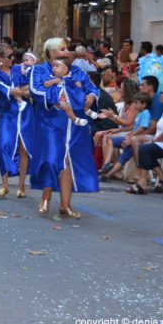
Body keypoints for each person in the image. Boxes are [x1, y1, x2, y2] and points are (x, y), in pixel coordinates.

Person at [30, 38, 100, 219]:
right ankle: (46, 197)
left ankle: (65, 205)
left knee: (69, 161)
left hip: (76, 126)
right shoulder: (40, 70)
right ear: (51, 52)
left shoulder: (77, 71)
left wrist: (90, 98)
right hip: (51, 123)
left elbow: (92, 88)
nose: (67, 51)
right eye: (62, 49)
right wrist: (55, 99)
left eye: (67, 49)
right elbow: (36, 91)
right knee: (53, 159)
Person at [0, 43, 33, 199]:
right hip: (7, 114)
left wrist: (25, 91)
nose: (13, 59)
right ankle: (4, 185)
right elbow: (5, 89)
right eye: (9, 56)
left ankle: (21, 186)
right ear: (0, 58)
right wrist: (24, 93)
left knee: (24, 149)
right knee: (3, 147)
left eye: (14, 55)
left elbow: (28, 85)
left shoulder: (18, 70)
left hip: (25, 113)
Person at [126, 85, 163, 194]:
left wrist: (155, 140)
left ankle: (142, 182)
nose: (160, 95)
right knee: (146, 150)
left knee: (143, 149)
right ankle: (162, 178)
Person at [99, 93, 151, 182]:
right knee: (112, 142)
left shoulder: (146, 113)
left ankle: (107, 174)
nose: (134, 104)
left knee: (124, 156)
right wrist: (119, 130)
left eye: (136, 103)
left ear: (144, 104)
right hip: (131, 138)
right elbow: (133, 126)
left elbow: (143, 127)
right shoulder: (140, 113)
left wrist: (130, 137)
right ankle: (107, 164)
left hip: (136, 140)